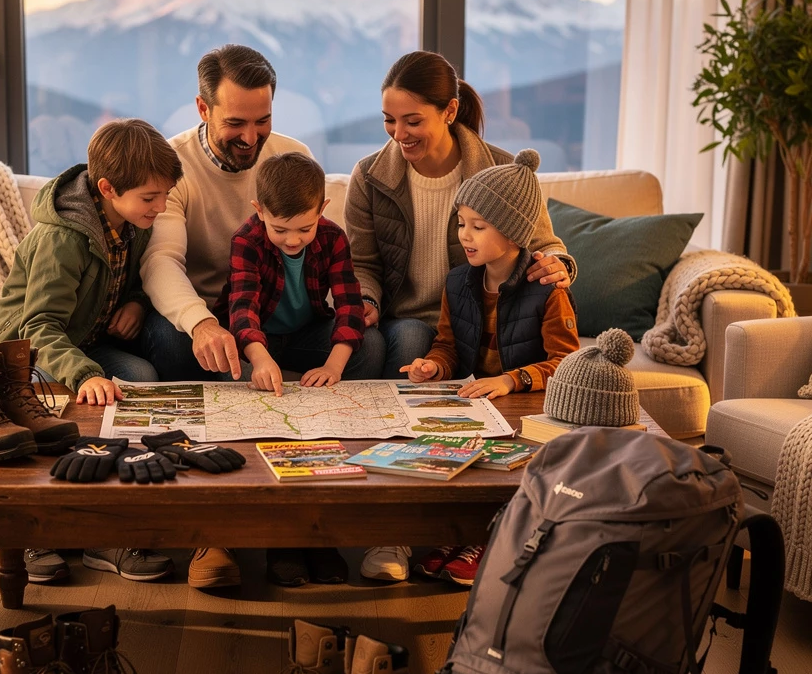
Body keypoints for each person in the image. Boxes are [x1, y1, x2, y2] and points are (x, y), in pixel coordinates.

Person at [345, 50, 576, 582]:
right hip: (406, 315)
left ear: (450, 111)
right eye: (389, 121)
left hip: (468, 317)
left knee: (406, 347)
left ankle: (396, 533)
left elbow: (545, 244)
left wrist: (557, 268)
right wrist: (367, 302)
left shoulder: (499, 172)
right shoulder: (370, 176)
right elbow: (362, 263)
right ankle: (368, 511)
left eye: (412, 121)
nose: (398, 134)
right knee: (385, 342)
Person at [139, 44, 340, 590]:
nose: (252, 137)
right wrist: (202, 322)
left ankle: (318, 520)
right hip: (203, 317)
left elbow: (326, 252)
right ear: (202, 110)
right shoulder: (174, 165)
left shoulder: (292, 157)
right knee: (175, 345)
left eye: (263, 120)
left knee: (366, 349)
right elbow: (161, 260)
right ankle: (214, 529)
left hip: (278, 319)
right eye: (235, 123)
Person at [0, 117, 183, 585]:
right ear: (108, 188)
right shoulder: (62, 238)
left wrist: (134, 301)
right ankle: (38, 532)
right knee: (49, 401)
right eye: (151, 198)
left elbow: (132, 280)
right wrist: (84, 373)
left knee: (140, 379)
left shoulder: (135, 222)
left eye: (165, 195)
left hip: (81, 344)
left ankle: (105, 534)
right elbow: (38, 324)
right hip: (19, 353)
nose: (161, 206)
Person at [400, 148, 580, 587]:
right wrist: (433, 367)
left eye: (479, 226)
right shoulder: (459, 281)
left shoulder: (546, 287)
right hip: (476, 400)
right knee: (439, 452)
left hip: (526, 406)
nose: (466, 235)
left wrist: (509, 379)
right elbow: (448, 345)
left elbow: (567, 364)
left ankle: (486, 541)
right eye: (462, 223)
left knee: (504, 467)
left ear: (516, 232)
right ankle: (452, 536)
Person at [212, 152, 377, 587]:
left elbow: (348, 305)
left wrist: (335, 364)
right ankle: (283, 540)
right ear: (259, 211)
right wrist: (260, 357)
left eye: (304, 229)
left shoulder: (333, 237)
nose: (292, 240)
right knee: (240, 376)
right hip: (258, 343)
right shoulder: (246, 240)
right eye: (280, 229)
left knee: (370, 346)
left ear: (322, 210)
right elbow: (242, 309)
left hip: (307, 338)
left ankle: (321, 538)